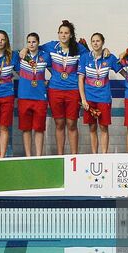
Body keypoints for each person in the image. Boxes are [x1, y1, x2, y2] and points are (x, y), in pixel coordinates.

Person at [41, 21, 84, 155]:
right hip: (55, 90)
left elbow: (94, 54)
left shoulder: (79, 48)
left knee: (71, 124)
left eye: (66, 33)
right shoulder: (51, 46)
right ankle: (60, 155)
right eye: (61, 32)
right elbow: (35, 48)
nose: (63, 35)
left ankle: (74, 155)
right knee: (59, 124)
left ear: (71, 35)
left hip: (73, 90)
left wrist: (105, 50)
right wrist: (24, 49)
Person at [79, 33, 117, 153]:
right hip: (89, 98)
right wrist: (83, 99)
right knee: (92, 127)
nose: (95, 43)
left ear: (103, 42)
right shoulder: (85, 57)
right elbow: (80, 80)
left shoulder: (109, 57)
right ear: (91, 43)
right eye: (93, 41)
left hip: (104, 97)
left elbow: (123, 67)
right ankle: (94, 155)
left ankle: (104, 155)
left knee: (103, 127)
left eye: (98, 41)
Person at [16, 34, 49, 158]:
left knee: (39, 128)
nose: (31, 44)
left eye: (34, 42)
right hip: (24, 96)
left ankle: (39, 156)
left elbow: (56, 70)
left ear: (38, 42)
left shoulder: (45, 56)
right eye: (29, 42)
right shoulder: (21, 56)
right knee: (26, 128)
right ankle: (29, 156)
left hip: (40, 97)